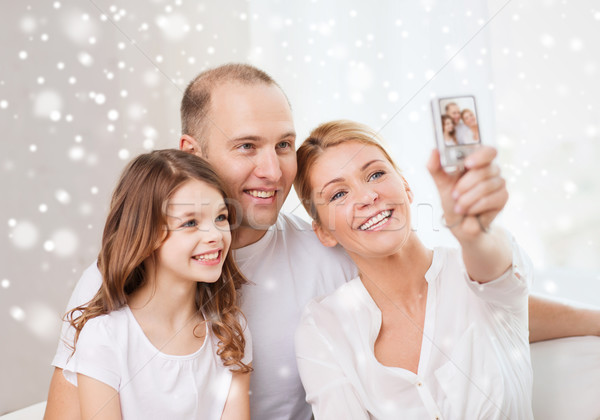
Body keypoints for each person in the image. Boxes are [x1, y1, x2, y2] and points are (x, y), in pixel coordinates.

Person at [45, 63, 600, 420]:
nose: (272, 169)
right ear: (191, 150)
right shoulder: (119, 278)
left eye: (284, 144)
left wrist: (590, 317)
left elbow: (468, 302)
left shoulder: (328, 254)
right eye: (246, 146)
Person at [294, 120, 533, 419]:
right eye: (338, 194)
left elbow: (495, 268)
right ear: (324, 232)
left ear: (405, 186)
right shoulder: (324, 326)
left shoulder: (473, 274)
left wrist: (473, 233)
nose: (368, 197)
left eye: (376, 174)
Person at [61, 150, 252, 419]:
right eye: (190, 223)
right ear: (146, 235)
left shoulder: (230, 332)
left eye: (220, 217)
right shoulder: (105, 337)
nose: (215, 235)